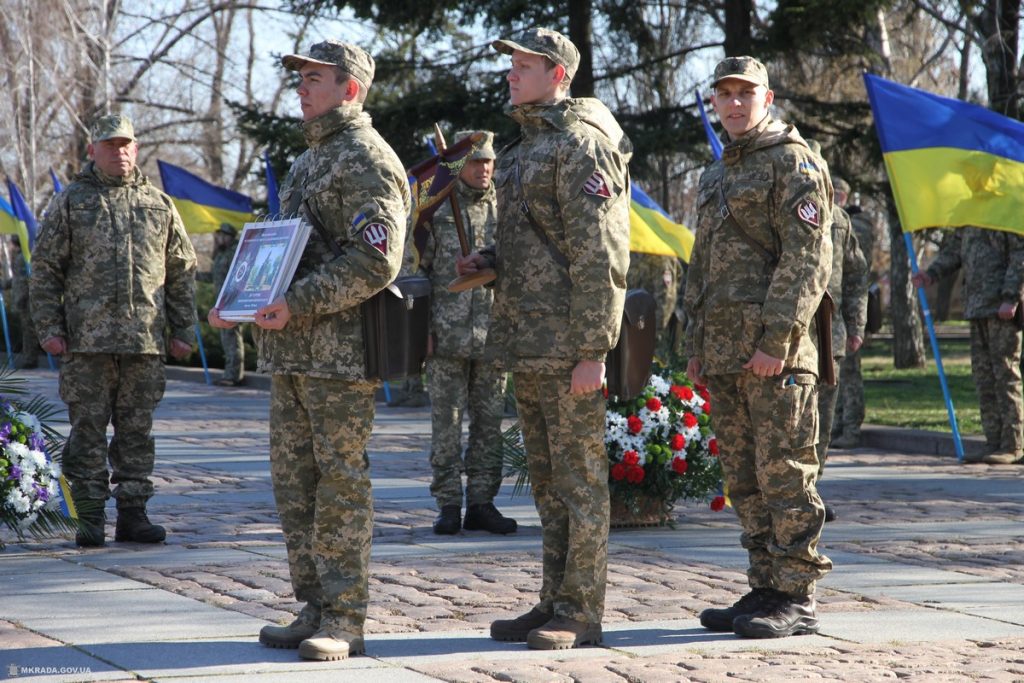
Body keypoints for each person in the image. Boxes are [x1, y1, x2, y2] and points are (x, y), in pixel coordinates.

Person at [210, 40, 409, 661]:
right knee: (294, 485)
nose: (301, 87)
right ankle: (313, 605)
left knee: (339, 485)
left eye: (315, 78)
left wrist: (300, 303)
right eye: (299, 77)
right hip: (292, 353)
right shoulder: (309, 160)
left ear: (351, 88)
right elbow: (283, 252)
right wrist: (239, 301)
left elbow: (377, 259)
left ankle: (345, 617)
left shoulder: (366, 158)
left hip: (340, 357)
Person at [457, 28, 631, 650]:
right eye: (511, 65)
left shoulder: (582, 147)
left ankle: (581, 611)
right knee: (548, 482)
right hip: (526, 342)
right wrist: (486, 257)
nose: (511, 74)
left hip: (568, 347)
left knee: (580, 483)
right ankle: (553, 599)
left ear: (558, 75)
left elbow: (601, 256)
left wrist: (594, 350)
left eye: (524, 66)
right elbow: (531, 245)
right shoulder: (521, 150)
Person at [684, 56, 833, 639]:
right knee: (743, 479)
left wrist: (776, 340)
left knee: (786, 475)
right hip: (725, 356)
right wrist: (694, 343)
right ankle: (766, 585)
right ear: (716, 103)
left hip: (776, 357)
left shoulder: (794, 162)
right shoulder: (716, 173)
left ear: (766, 99)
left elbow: (806, 260)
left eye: (746, 94)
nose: (735, 104)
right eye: (725, 95)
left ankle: (798, 595)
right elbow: (702, 266)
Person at [31, 114, 197, 547]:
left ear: (137, 149)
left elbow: (181, 271)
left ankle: (133, 513)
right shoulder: (72, 202)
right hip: (86, 343)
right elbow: (46, 269)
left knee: (137, 432)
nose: (119, 151)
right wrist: (49, 327)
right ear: (93, 151)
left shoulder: (159, 204)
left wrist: (184, 330)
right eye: (110, 144)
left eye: (127, 144)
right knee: (86, 431)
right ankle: (88, 516)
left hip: (144, 342)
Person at [409, 129, 516, 536]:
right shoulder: (436, 211)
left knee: (490, 426)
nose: (484, 168)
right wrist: (422, 332)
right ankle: (449, 504)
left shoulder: (507, 211)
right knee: (447, 425)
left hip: (492, 336)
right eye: (475, 162)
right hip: (446, 336)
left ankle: (483, 503)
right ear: (457, 166)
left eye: (488, 161)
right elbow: (416, 275)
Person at [913, 227, 1024, 464]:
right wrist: (931, 274)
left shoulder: (1003, 211)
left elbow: (1020, 255)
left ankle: (1013, 444)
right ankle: (993, 441)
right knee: (983, 377)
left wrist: (1011, 296)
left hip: (1001, 309)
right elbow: (954, 252)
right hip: (976, 306)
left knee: (1005, 375)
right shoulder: (970, 216)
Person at [815, 177, 868, 522]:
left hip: (829, 332)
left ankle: (810, 492)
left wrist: (856, 324)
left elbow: (856, 275)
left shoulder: (839, 220)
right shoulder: (777, 207)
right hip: (782, 337)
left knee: (823, 416)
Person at [832, 191, 877, 449]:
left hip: (848, 309)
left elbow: (857, 270)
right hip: (838, 310)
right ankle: (838, 424)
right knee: (834, 374)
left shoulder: (855, 224)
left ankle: (851, 427)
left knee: (849, 373)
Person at [211, 223, 245, 386]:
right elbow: (215, 276)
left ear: (231, 237)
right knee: (226, 339)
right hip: (220, 302)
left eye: (223, 235)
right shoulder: (220, 253)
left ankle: (233, 375)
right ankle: (228, 373)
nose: (220, 238)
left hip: (231, 300)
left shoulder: (234, 253)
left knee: (232, 337)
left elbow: (239, 276)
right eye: (219, 235)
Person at [9, 237, 40, 369]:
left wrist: (21, 298)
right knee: (27, 329)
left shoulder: (23, 258)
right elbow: (17, 279)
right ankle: (28, 357)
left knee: (29, 330)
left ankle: (30, 359)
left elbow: (25, 279)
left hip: (26, 300)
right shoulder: (21, 257)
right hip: (25, 298)